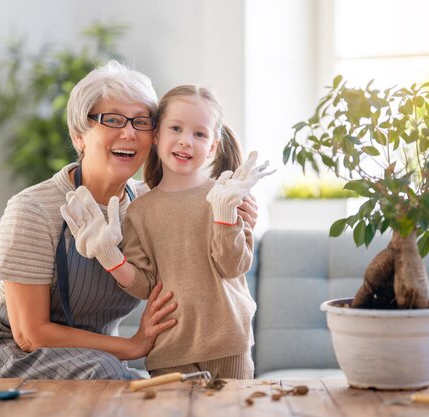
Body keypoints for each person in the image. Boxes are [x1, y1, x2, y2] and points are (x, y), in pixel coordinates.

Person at [0, 63, 258, 381]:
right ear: (79, 135)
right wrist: (133, 346)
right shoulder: (33, 209)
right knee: (118, 381)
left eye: (140, 122)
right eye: (112, 119)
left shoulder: (146, 206)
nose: (129, 133)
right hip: (8, 353)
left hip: (95, 359)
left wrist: (236, 214)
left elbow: (201, 224)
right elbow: (30, 334)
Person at [61, 85, 274, 379]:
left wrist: (225, 215)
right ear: (157, 136)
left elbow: (232, 266)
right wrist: (110, 257)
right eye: (176, 128)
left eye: (200, 134)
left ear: (212, 146)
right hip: (169, 349)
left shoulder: (227, 196)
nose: (186, 141)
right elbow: (145, 286)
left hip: (229, 344)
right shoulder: (140, 210)